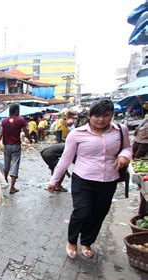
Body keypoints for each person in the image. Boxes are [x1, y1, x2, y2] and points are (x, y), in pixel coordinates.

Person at [47, 98, 131, 259]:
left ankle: (86, 242)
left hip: (109, 180)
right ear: (89, 115)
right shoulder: (77, 134)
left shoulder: (121, 130)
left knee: (99, 213)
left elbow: (127, 147)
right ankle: (72, 241)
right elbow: (65, 158)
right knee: (82, 212)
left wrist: (124, 156)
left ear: (112, 115)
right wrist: (54, 180)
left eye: (106, 115)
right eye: (97, 115)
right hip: (83, 179)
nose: (101, 119)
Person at [0, 104, 33, 194]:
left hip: (6, 146)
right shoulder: (21, 119)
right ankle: (12, 187)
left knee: (6, 165)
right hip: (16, 146)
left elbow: (0, 134)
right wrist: (30, 140)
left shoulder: (4, 121)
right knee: (15, 165)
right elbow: (26, 132)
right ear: (16, 110)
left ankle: (5, 180)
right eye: (19, 110)